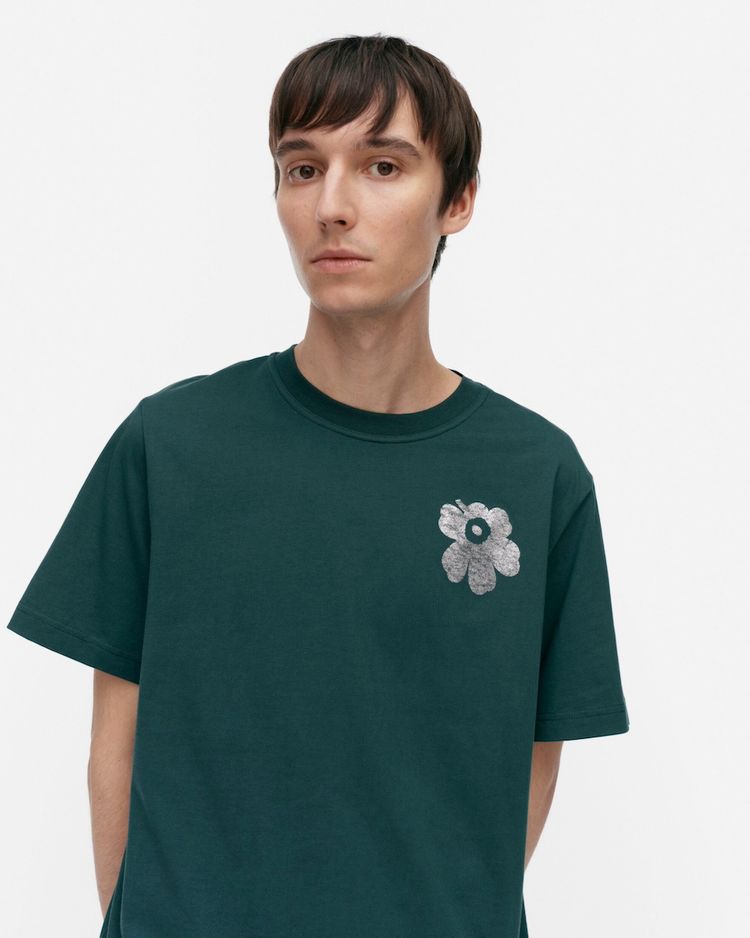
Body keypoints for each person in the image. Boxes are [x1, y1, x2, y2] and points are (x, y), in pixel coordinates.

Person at [6, 33, 629, 938]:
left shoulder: (536, 474)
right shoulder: (171, 445)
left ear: (457, 199)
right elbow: (117, 734)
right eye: (302, 169)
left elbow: (530, 756)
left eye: (382, 166)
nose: (332, 207)